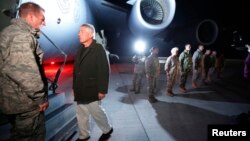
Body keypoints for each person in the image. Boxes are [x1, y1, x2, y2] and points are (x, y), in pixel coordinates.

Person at [0, 2, 48, 141]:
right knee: (29, 136)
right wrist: (40, 97)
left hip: (14, 99)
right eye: (42, 19)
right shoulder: (21, 36)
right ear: (31, 17)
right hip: (25, 103)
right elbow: (25, 73)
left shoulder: (9, 32)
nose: (44, 23)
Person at [73, 24, 113, 141]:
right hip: (80, 88)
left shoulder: (98, 49)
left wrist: (102, 90)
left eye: (82, 31)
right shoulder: (80, 48)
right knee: (81, 114)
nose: (78, 34)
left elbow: (104, 70)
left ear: (90, 34)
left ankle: (107, 129)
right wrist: (74, 87)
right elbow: (76, 70)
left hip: (92, 88)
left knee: (96, 112)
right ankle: (84, 135)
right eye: (79, 31)